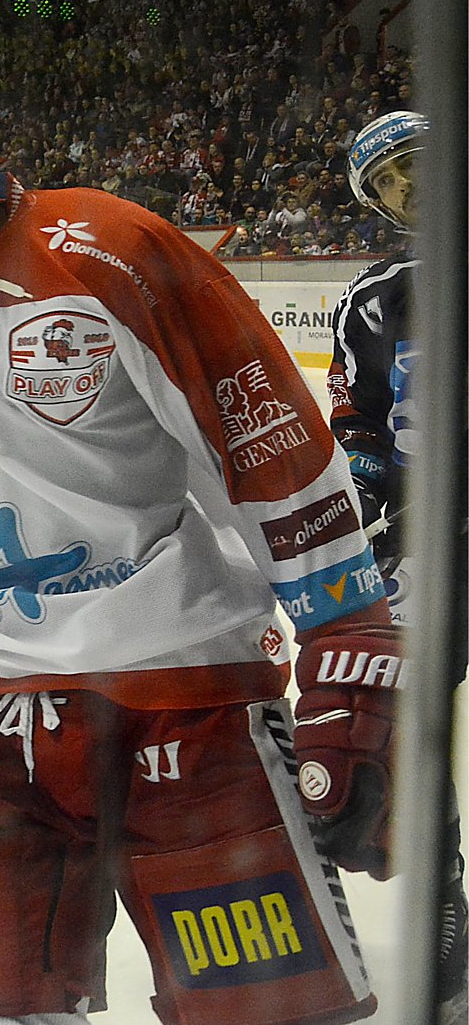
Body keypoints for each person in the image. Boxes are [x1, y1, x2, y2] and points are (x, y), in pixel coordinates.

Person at [0, 10, 398, 1025]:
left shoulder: (110, 252)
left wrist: (350, 638)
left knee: (267, 1015)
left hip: (184, 699)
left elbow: (266, 446)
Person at [329, 111, 468, 1023]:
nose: (405, 187)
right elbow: (359, 421)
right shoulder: (377, 298)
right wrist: (368, 497)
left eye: (413, 164)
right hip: (430, 541)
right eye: (386, 182)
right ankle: (447, 902)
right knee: (408, 718)